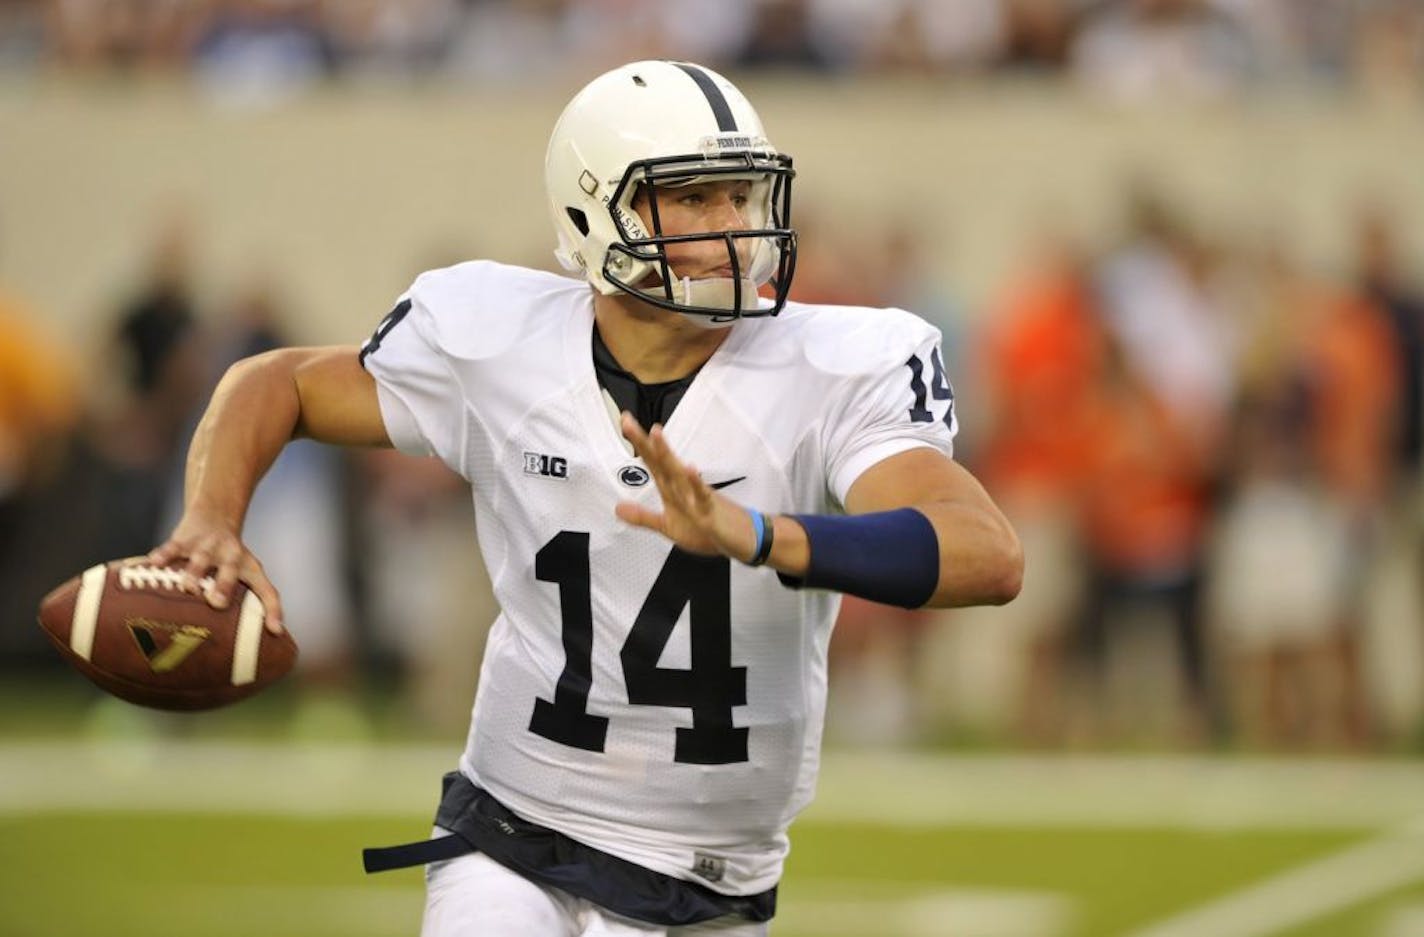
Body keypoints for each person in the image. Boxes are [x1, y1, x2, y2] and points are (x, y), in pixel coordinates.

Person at [148, 60, 1022, 936]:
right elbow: (280, 382)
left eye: (741, 197)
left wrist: (764, 534)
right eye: (693, 199)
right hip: (508, 832)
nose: (733, 228)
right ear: (592, 212)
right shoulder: (497, 337)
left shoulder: (836, 362)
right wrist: (210, 521)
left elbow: (987, 553)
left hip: (707, 881)